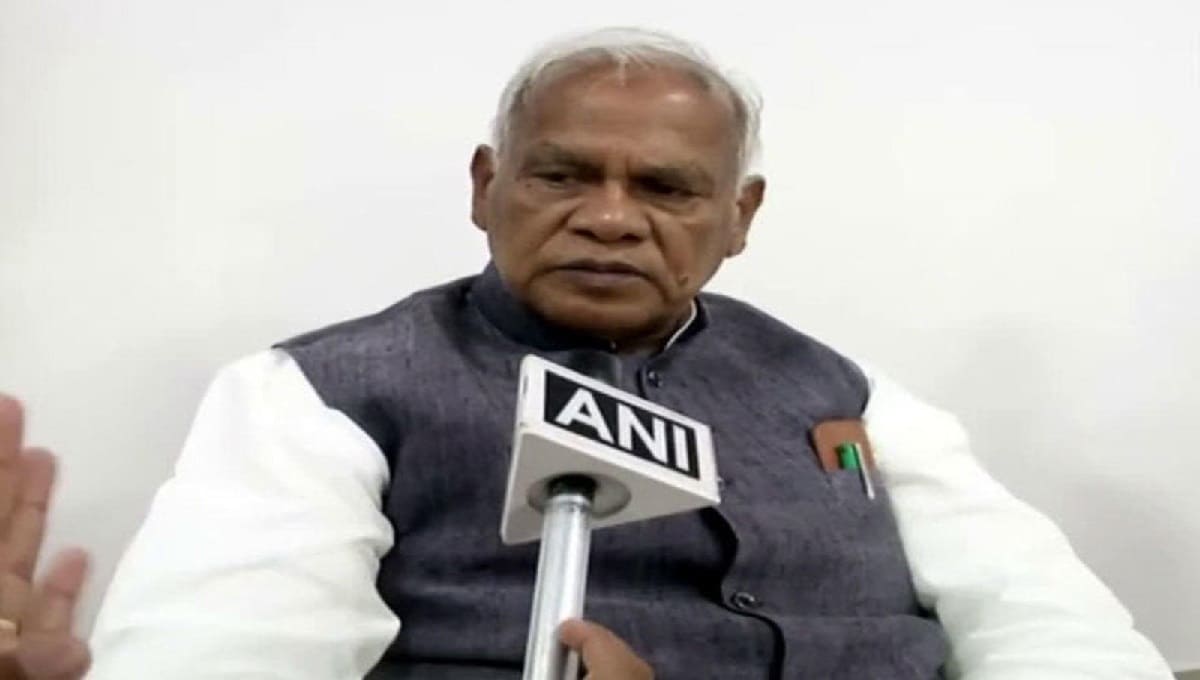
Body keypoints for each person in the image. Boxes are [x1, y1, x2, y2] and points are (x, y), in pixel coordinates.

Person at [0, 27, 1175, 680]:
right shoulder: (317, 395)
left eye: (665, 188)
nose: (610, 217)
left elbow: (1049, 625)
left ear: (740, 217)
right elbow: (228, 653)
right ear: (486, 186)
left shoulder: (856, 398)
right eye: (563, 173)